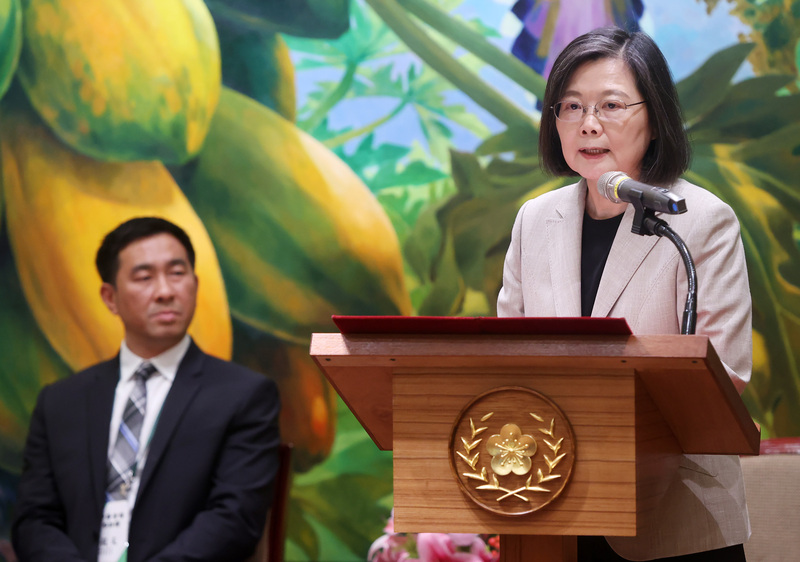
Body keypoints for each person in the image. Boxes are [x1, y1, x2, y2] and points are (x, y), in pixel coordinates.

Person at [497, 27, 752, 561]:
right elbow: (507, 363)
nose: (588, 124)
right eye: (571, 106)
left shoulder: (701, 221)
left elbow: (725, 376)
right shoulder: (534, 220)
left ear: (655, 119)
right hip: (556, 507)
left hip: (674, 517)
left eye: (611, 105)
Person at [12, 217, 281, 562]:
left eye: (177, 273)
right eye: (144, 277)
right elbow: (34, 520)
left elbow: (235, 518)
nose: (165, 291)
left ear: (196, 285)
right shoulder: (61, 401)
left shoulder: (242, 395)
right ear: (110, 298)